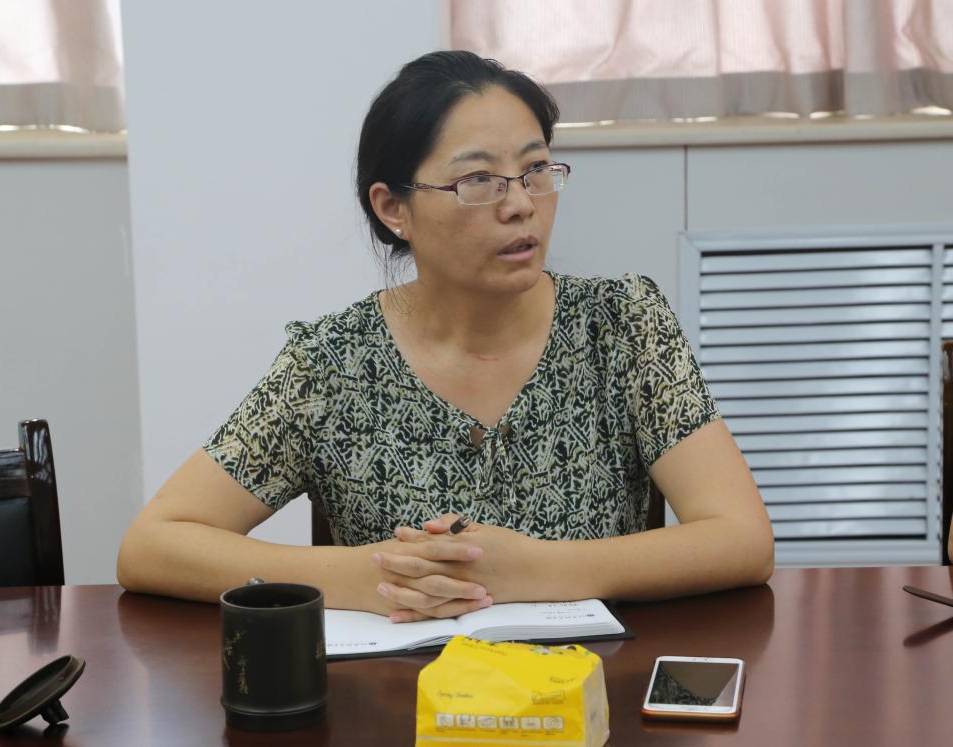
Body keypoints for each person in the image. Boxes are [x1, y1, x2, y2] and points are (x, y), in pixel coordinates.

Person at [118, 51, 774, 622]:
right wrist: (369, 578)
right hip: (402, 701)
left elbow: (741, 537)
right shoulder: (331, 362)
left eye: (536, 169)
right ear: (393, 208)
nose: (521, 204)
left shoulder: (622, 323)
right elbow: (153, 544)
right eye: (477, 180)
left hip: (589, 696)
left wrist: (532, 570)